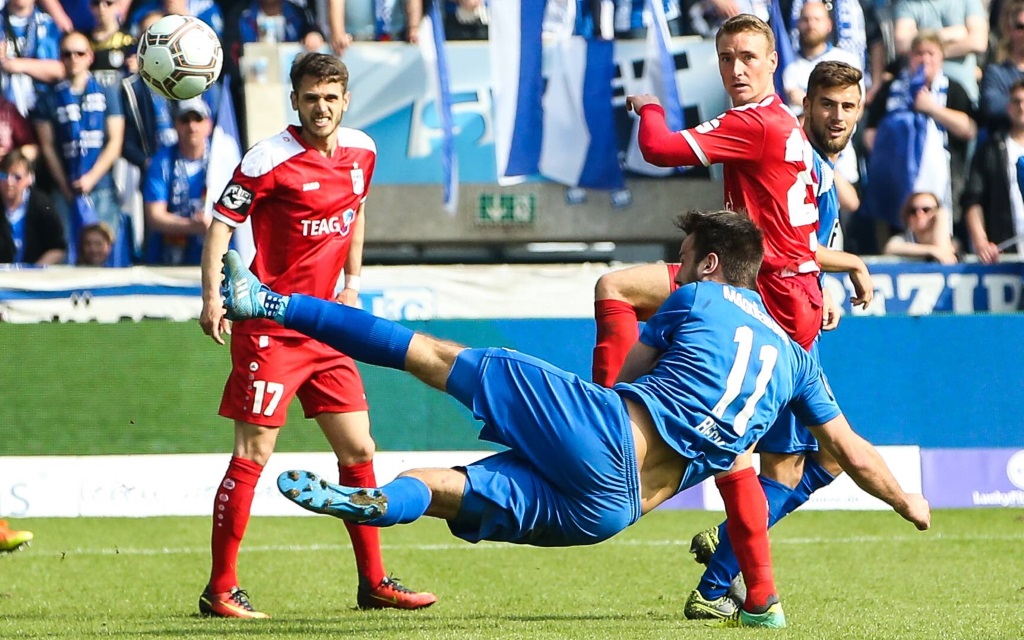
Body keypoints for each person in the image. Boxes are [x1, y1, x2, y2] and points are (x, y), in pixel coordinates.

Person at [217, 210, 931, 629]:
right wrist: (910, 501)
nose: (674, 269)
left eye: (681, 259)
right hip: (610, 514)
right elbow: (853, 453)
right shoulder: (799, 362)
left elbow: (627, 380)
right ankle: (382, 502)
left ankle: (268, 304)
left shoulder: (694, 301)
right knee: (441, 489)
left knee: (433, 355)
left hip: (603, 432)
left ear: (710, 264)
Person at [197, 52, 435, 619]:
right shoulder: (268, 159)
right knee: (252, 453)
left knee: (359, 450)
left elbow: (355, 216)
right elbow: (220, 228)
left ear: (345, 99)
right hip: (270, 327)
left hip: (327, 326)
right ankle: (221, 589)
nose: (321, 107)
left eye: (330, 97)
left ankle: (374, 582)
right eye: (310, 97)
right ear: (295, 101)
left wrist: (353, 284)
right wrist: (211, 297)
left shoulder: (363, 151)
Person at [682, 61, 875, 620]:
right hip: (775, 325)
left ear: (859, 111)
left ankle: (730, 539)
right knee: (787, 468)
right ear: (807, 105)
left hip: (798, 315)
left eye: (848, 106)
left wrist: (826, 290)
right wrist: (851, 265)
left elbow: (807, 245)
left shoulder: (821, 166)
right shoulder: (796, 157)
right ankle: (716, 586)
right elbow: (781, 245)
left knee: (830, 459)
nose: (836, 116)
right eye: (827, 104)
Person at [862, 31, 976, 252]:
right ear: (909, 57)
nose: (925, 59)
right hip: (899, 185)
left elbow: (969, 129)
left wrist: (932, 109)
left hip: (945, 184)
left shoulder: (953, 88)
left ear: (941, 57)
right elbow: (869, 135)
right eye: (918, 54)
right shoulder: (891, 89)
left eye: (931, 53)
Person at [33, 30, 125, 253]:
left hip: (101, 187)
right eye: (67, 54)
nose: (73, 59)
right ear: (60, 58)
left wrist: (91, 178)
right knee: (67, 253)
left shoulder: (108, 92)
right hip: (64, 189)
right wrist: (65, 185)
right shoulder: (48, 98)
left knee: (104, 252)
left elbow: (115, 141)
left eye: (80, 53)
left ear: (90, 57)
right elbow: (48, 147)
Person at [141, 97, 211, 266]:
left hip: (211, 255)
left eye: (198, 119)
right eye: (185, 120)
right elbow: (154, 216)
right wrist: (192, 227)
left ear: (208, 125)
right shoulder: (161, 162)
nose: (192, 127)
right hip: (168, 256)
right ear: (175, 125)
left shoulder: (221, 159)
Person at [963, 78, 1024, 262]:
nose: (1021, 107)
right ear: (1008, 107)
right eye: (1016, 101)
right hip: (1006, 256)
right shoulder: (990, 150)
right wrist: (982, 242)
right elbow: (973, 200)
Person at [0, 149, 65, 265]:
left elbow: (57, 247)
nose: (9, 182)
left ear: (29, 179)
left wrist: (34, 272)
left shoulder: (42, 205)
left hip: (34, 277)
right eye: (4, 175)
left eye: (17, 177)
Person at [980, 0, 1024, 133]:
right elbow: (992, 105)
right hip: (1006, 145)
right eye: (1020, 27)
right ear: (1010, 30)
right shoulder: (996, 72)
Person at [884, 191, 959, 264]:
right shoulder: (903, 239)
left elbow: (945, 255)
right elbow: (890, 248)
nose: (919, 214)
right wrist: (932, 250)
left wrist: (942, 217)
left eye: (926, 210)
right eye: (913, 211)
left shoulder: (953, 241)